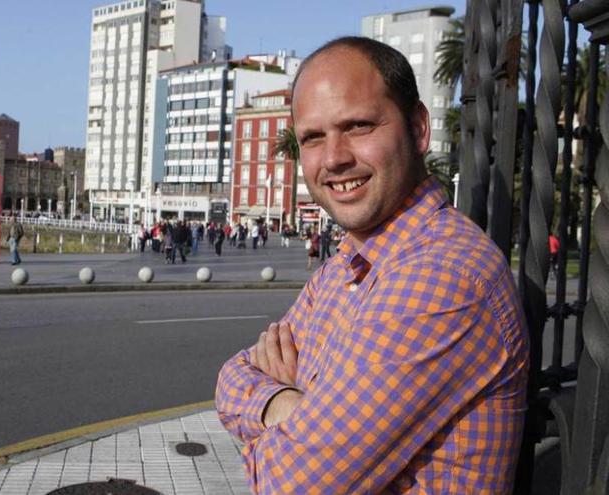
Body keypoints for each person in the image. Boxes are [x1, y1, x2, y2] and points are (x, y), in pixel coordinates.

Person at [215, 37, 528, 494]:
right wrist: (289, 406)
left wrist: (294, 414)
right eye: (313, 138)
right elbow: (231, 375)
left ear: (418, 128)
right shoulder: (344, 268)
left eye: (359, 126)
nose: (335, 158)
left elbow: (292, 484)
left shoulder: (442, 276)